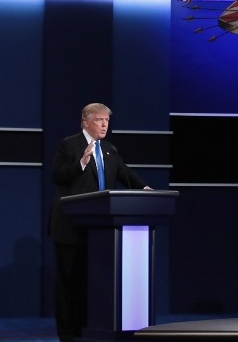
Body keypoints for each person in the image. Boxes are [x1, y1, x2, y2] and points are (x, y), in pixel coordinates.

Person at [48, 102, 152, 342]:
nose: (105, 125)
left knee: (90, 285)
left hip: (98, 232)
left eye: (107, 120)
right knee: (69, 286)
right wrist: (81, 163)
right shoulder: (69, 145)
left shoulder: (109, 150)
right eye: (99, 120)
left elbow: (125, 173)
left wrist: (146, 189)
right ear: (86, 122)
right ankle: (68, 335)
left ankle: (87, 330)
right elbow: (58, 175)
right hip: (70, 229)